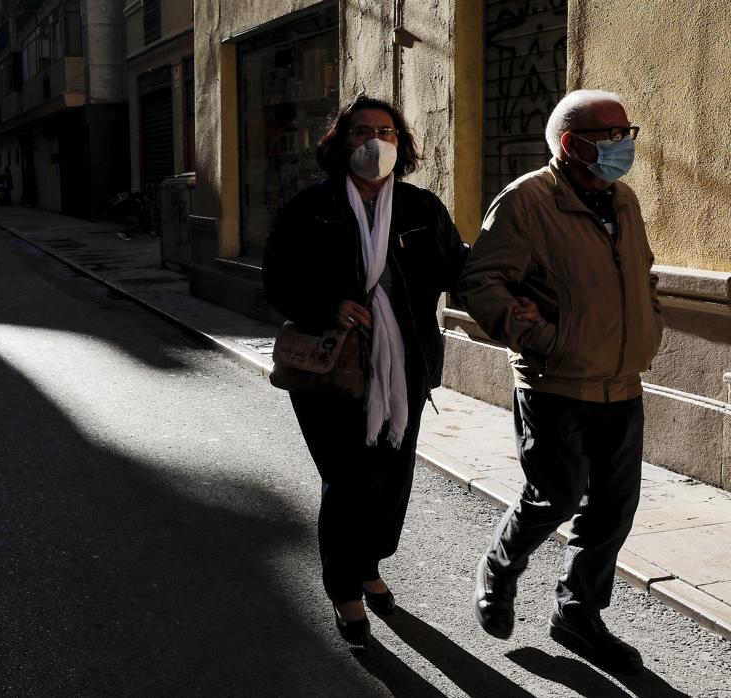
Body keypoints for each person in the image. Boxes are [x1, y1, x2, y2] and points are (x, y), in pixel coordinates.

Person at [265, 95, 509, 647]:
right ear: (340, 142)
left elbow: (463, 272)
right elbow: (277, 280)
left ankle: (369, 563)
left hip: (405, 373)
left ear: (402, 144)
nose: (375, 141)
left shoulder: (423, 209)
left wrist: (522, 291)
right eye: (361, 132)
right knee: (348, 481)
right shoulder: (312, 207)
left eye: (387, 131)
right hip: (331, 372)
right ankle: (345, 591)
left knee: (391, 482)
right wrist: (329, 304)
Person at [459, 90, 663, 674]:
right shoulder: (526, 201)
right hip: (555, 385)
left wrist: (649, 321)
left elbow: (641, 271)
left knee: (613, 510)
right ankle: (500, 567)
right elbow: (483, 282)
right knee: (555, 497)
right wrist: (545, 338)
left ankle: (578, 613)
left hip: (621, 382)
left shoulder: (623, 199)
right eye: (611, 135)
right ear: (573, 145)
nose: (624, 146)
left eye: (628, 132)